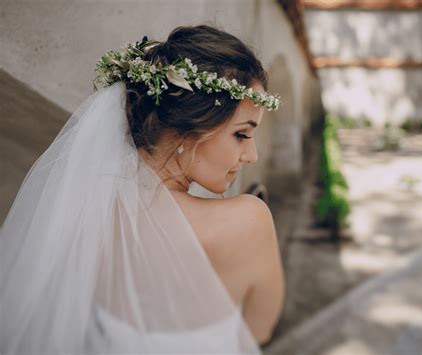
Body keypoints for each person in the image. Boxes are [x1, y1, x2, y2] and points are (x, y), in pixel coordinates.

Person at [0, 25, 285, 354]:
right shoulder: (249, 220)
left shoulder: (82, 205)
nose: (252, 155)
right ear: (188, 128)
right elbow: (260, 328)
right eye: (241, 134)